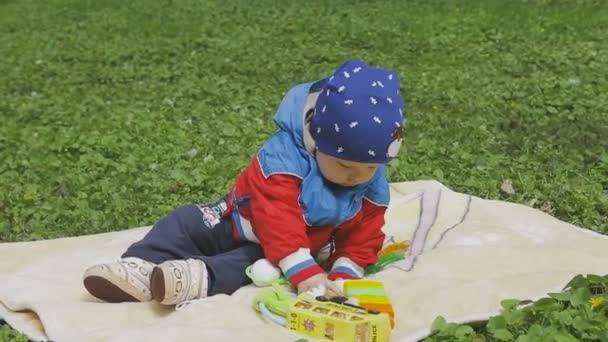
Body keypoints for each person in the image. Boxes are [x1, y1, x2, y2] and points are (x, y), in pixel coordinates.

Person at [82, 58, 405, 306]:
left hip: (283, 248)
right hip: (238, 218)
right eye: (346, 164)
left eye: (372, 167)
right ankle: (139, 266)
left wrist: (343, 274)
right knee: (186, 221)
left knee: (252, 265)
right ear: (315, 141)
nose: (358, 176)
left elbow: (364, 233)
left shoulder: (370, 184)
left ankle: (192, 278)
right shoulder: (282, 161)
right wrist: (305, 271)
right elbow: (276, 217)